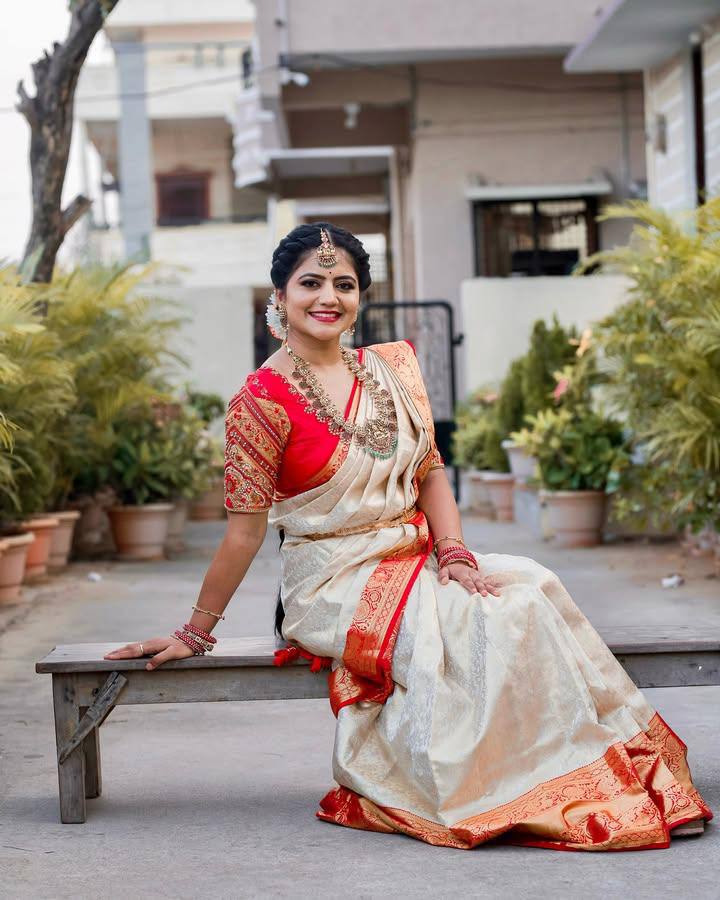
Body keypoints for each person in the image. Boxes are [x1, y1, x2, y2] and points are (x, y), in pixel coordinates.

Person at [105, 222, 712, 851]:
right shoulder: (260, 402)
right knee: (485, 623)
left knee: (532, 585)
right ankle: (526, 791)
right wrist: (194, 631)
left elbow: (430, 474)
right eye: (310, 283)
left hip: (415, 556)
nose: (327, 297)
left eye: (344, 284)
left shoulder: (388, 370)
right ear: (279, 297)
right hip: (332, 579)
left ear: (361, 297)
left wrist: (454, 554)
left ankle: (607, 777)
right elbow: (243, 535)